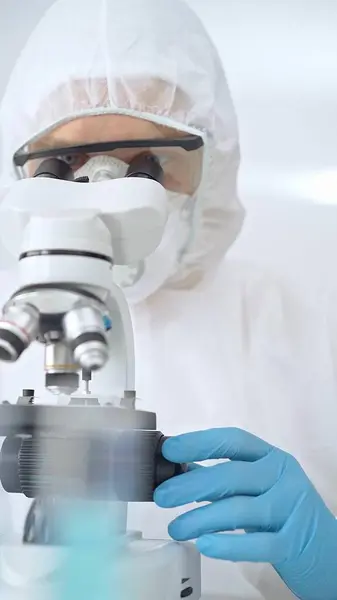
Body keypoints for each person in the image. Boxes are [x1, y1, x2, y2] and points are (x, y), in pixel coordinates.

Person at [1, 0, 337, 598]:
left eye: (149, 165)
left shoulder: (303, 326)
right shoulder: (22, 309)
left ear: (211, 166)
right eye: (61, 162)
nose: (103, 192)